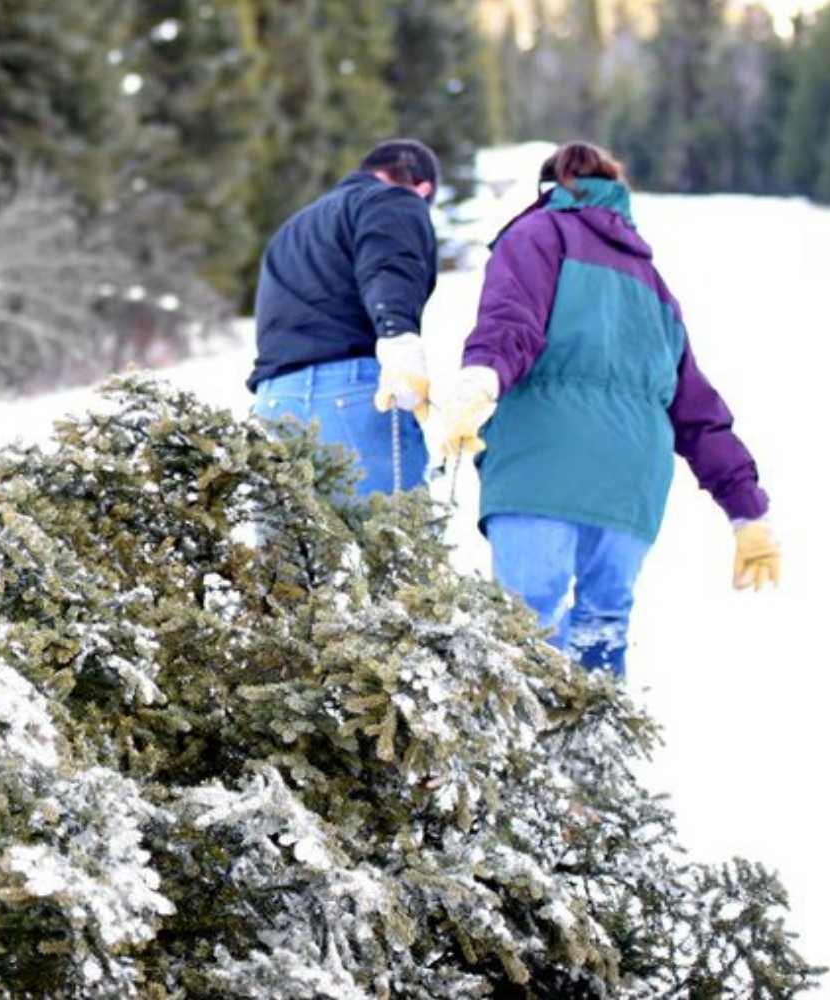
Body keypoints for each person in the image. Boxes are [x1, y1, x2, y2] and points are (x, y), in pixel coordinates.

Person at [439, 141, 781, 678]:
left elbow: (512, 325)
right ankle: (587, 757)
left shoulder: (536, 234)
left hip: (541, 463)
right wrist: (747, 512)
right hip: (631, 481)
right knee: (601, 630)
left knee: (521, 634)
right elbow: (697, 408)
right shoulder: (654, 284)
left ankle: (518, 758)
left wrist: (480, 382)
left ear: (551, 187)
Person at [247, 139, 441, 497]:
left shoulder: (291, 229)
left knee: (294, 550)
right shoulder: (394, 200)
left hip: (275, 400)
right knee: (394, 544)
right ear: (422, 189)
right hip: (353, 394)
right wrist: (400, 339)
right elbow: (390, 266)